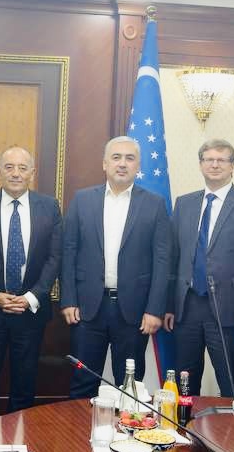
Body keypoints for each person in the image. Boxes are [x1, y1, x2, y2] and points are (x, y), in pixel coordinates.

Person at [60, 136, 171, 399]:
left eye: (129, 158)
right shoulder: (82, 200)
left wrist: (155, 309)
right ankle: (79, 428)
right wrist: (68, 300)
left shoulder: (154, 204)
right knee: (83, 382)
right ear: (105, 164)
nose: (122, 164)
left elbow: (163, 260)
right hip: (87, 309)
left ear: (138, 166)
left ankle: (127, 428)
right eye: (116, 157)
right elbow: (69, 251)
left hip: (134, 311)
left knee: (130, 387)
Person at [0, 146, 62, 427]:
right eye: (9, 167)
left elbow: (55, 257)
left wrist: (32, 296)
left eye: (22, 167)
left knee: (24, 384)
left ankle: (19, 440)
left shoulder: (49, 206)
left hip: (30, 312)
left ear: (32, 173)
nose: (16, 173)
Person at [166, 139, 234, 398]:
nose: (214, 165)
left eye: (221, 160)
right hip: (187, 308)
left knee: (231, 384)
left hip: (230, 311)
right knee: (185, 383)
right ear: (201, 164)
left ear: (232, 166)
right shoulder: (184, 204)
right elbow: (173, 259)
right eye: (209, 159)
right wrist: (169, 306)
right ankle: (187, 422)